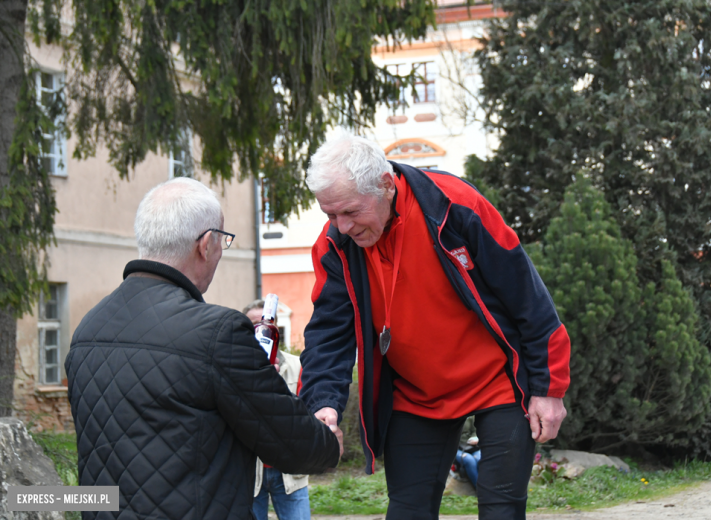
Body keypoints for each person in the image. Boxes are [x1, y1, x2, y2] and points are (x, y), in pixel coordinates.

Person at [299, 133, 571, 520]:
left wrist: (549, 388)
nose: (341, 227)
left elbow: (527, 296)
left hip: (497, 383)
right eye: (330, 215)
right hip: (417, 393)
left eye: (350, 212)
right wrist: (323, 403)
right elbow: (328, 332)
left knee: (501, 509)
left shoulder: (455, 207)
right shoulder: (336, 247)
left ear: (386, 185)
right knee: (407, 511)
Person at [65, 177, 341, 520]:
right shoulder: (217, 333)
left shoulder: (87, 329)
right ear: (206, 244)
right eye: (223, 241)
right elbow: (291, 443)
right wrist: (329, 442)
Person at [243, 300, 311, 520]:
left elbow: (306, 417)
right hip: (249, 473)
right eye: (255, 325)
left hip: (290, 470)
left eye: (267, 323)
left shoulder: (297, 366)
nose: (261, 330)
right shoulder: (234, 367)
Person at [454, 416, 480, 488]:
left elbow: (474, 430)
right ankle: (478, 489)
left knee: (480, 459)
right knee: (469, 460)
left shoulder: (471, 416)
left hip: (471, 446)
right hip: (456, 448)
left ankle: (487, 487)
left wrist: (475, 438)